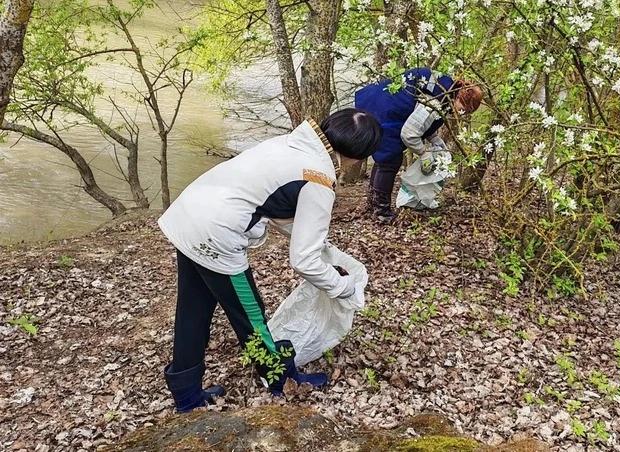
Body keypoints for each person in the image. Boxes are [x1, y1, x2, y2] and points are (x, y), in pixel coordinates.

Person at [157, 109, 382, 413]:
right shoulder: (318, 178)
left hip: (188, 215)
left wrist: (324, 250)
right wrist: (342, 287)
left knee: (193, 310)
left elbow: (275, 205)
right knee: (251, 318)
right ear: (359, 155)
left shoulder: (290, 143)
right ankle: (281, 379)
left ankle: (185, 395)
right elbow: (303, 260)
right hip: (216, 234)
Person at [354, 67, 483, 223]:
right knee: (389, 160)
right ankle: (382, 212)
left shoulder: (444, 91)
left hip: (380, 105)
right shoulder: (436, 101)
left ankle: (374, 204)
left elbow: (422, 123)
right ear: (460, 98)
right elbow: (409, 133)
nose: (461, 114)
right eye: (463, 109)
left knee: (384, 160)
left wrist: (435, 140)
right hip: (385, 112)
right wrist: (423, 154)